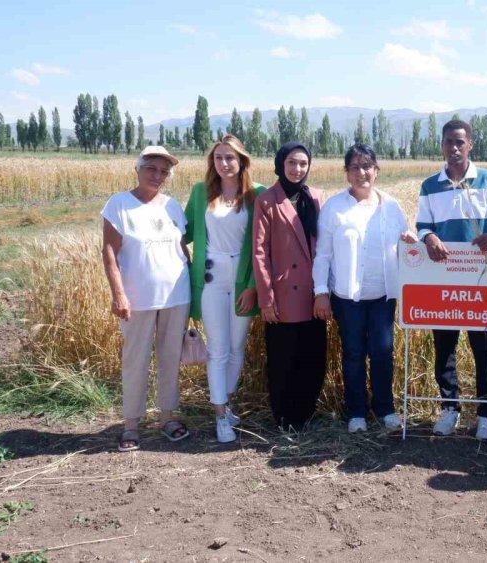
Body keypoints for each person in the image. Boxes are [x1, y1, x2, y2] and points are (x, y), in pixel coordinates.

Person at [415, 119, 487, 440]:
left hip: (481, 279)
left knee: (484, 348)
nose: (454, 149)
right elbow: (423, 226)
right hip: (443, 282)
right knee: (445, 347)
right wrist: (429, 239)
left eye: (460, 142)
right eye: (448, 143)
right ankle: (450, 409)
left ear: (470, 144)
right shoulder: (430, 185)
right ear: (441, 145)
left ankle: (486, 415)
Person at [313, 144, 417, 433]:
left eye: (367, 166)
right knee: (354, 354)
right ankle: (356, 411)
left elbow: (406, 242)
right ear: (346, 173)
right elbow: (323, 254)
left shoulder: (392, 206)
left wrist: (411, 240)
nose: (362, 172)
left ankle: (385, 409)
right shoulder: (334, 207)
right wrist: (321, 291)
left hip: (383, 296)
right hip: (348, 298)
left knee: (383, 352)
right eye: (355, 167)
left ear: (377, 171)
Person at [102, 146, 191, 452]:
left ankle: (167, 417)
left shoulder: (173, 206)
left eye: (164, 171)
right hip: (137, 300)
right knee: (135, 359)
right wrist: (119, 294)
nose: (158, 175)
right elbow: (110, 253)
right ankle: (131, 424)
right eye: (151, 168)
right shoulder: (119, 205)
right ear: (137, 168)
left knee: (169, 359)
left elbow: (183, 249)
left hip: (176, 297)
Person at [184, 134, 265, 443]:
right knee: (217, 351)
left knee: (236, 348)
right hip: (212, 280)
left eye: (230, 158)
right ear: (212, 162)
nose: (224, 163)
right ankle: (220, 417)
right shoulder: (201, 192)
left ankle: (227, 403)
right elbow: (184, 230)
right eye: (218, 158)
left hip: (243, 281)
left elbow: (263, 244)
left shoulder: (257, 194)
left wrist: (255, 285)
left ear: (242, 160)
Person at [253, 141, 327, 429]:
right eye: (292, 163)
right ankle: (284, 416)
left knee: (312, 356)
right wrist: (266, 299)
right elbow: (260, 252)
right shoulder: (268, 200)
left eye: (303, 164)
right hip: (282, 295)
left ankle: (306, 413)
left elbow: (327, 247)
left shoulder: (318, 197)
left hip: (313, 292)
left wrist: (326, 291)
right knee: (282, 358)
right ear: (280, 164)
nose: (297, 169)